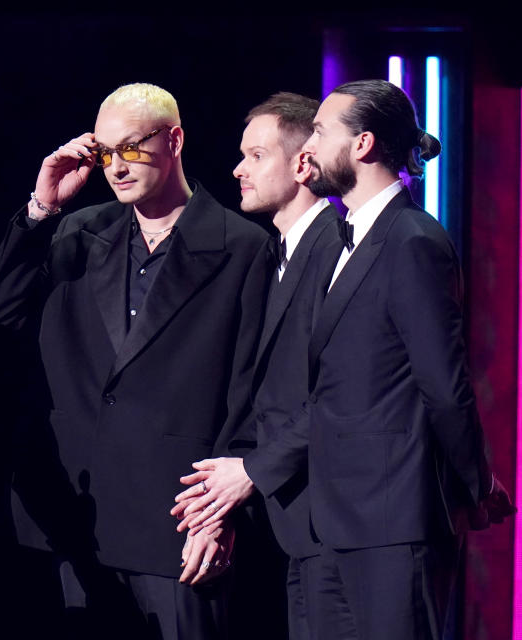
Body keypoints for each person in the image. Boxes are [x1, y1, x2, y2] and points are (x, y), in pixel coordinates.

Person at [175, 80, 513, 639]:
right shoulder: (355, 239)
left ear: (362, 145)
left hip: (393, 522)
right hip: (335, 522)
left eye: (322, 132)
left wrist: (473, 484)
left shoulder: (411, 240)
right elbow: (340, 384)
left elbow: (444, 385)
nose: (310, 147)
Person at [0, 83, 272, 638]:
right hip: (78, 514)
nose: (116, 166)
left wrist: (221, 514)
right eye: (105, 152)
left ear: (175, 140)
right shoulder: (77, 233)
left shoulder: (242, 247)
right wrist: (42, 207)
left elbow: (252, 392)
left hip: (176, 517)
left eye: (132, 147)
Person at [172, 92, 342, 640]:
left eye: (256, 155)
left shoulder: (337, 251)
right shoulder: (275, 256)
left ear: (302, 164)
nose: (237, 168)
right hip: (295, 524)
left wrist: (250, 473)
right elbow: (260, 394)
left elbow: (340, 392)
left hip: (338, 519)